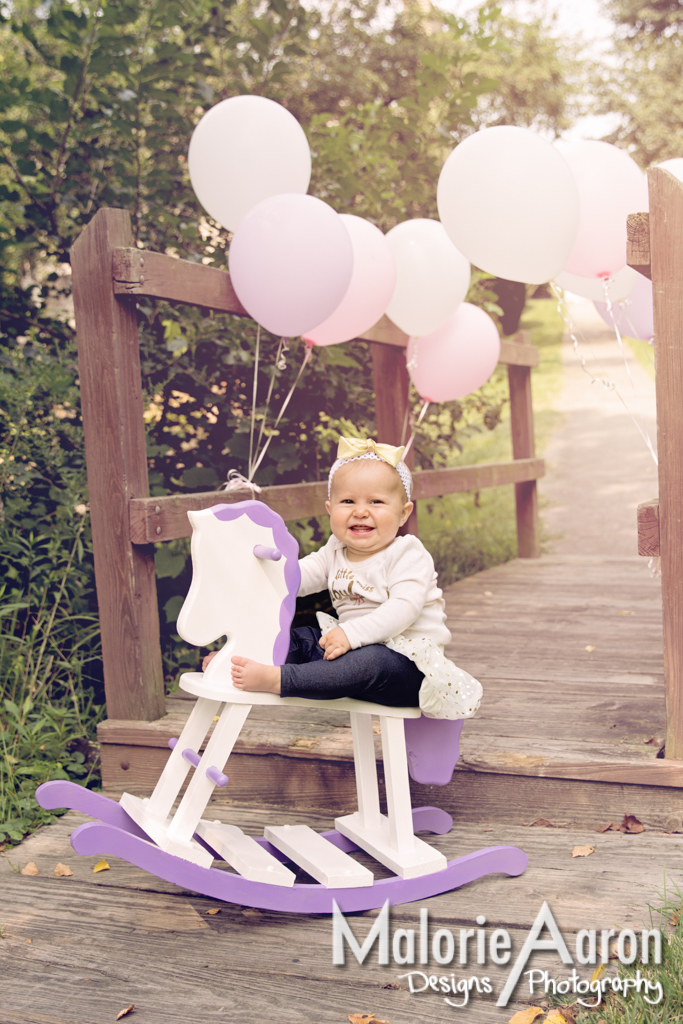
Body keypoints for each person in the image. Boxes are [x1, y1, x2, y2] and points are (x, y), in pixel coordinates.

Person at [204, 436, 483, 719]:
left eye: (376, 502)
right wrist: (262, 569)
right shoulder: (334, 550)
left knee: (370, 660)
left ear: (403, 513)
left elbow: (404, 609)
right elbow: (294, 580)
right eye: (347, 501)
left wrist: (352, 633)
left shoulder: (407, 553)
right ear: (330, 510)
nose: (360, 511)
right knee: (301, 638)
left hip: (404, 667)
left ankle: (280, 680)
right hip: (347, 655)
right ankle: (238, 661)